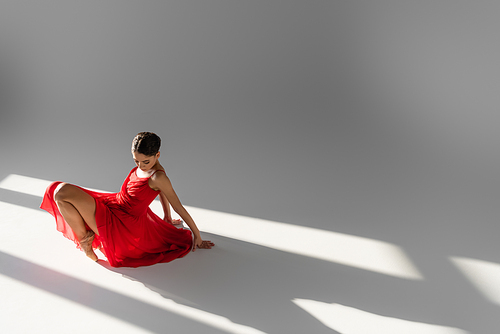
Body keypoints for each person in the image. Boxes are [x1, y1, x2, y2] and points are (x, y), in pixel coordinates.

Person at [40, 132, 214, 267]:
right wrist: (166, 217)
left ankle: (86, 242)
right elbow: (161, 194)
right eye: (136, 161)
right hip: (113, 204)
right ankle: (86, 238)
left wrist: (196, 236)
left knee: (62, 193)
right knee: (56, 190)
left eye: (145, 162)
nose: (140, 165)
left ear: (157, 155)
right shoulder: (151, 169)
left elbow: (178, 207)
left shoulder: (159, 178)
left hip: (123, 224)